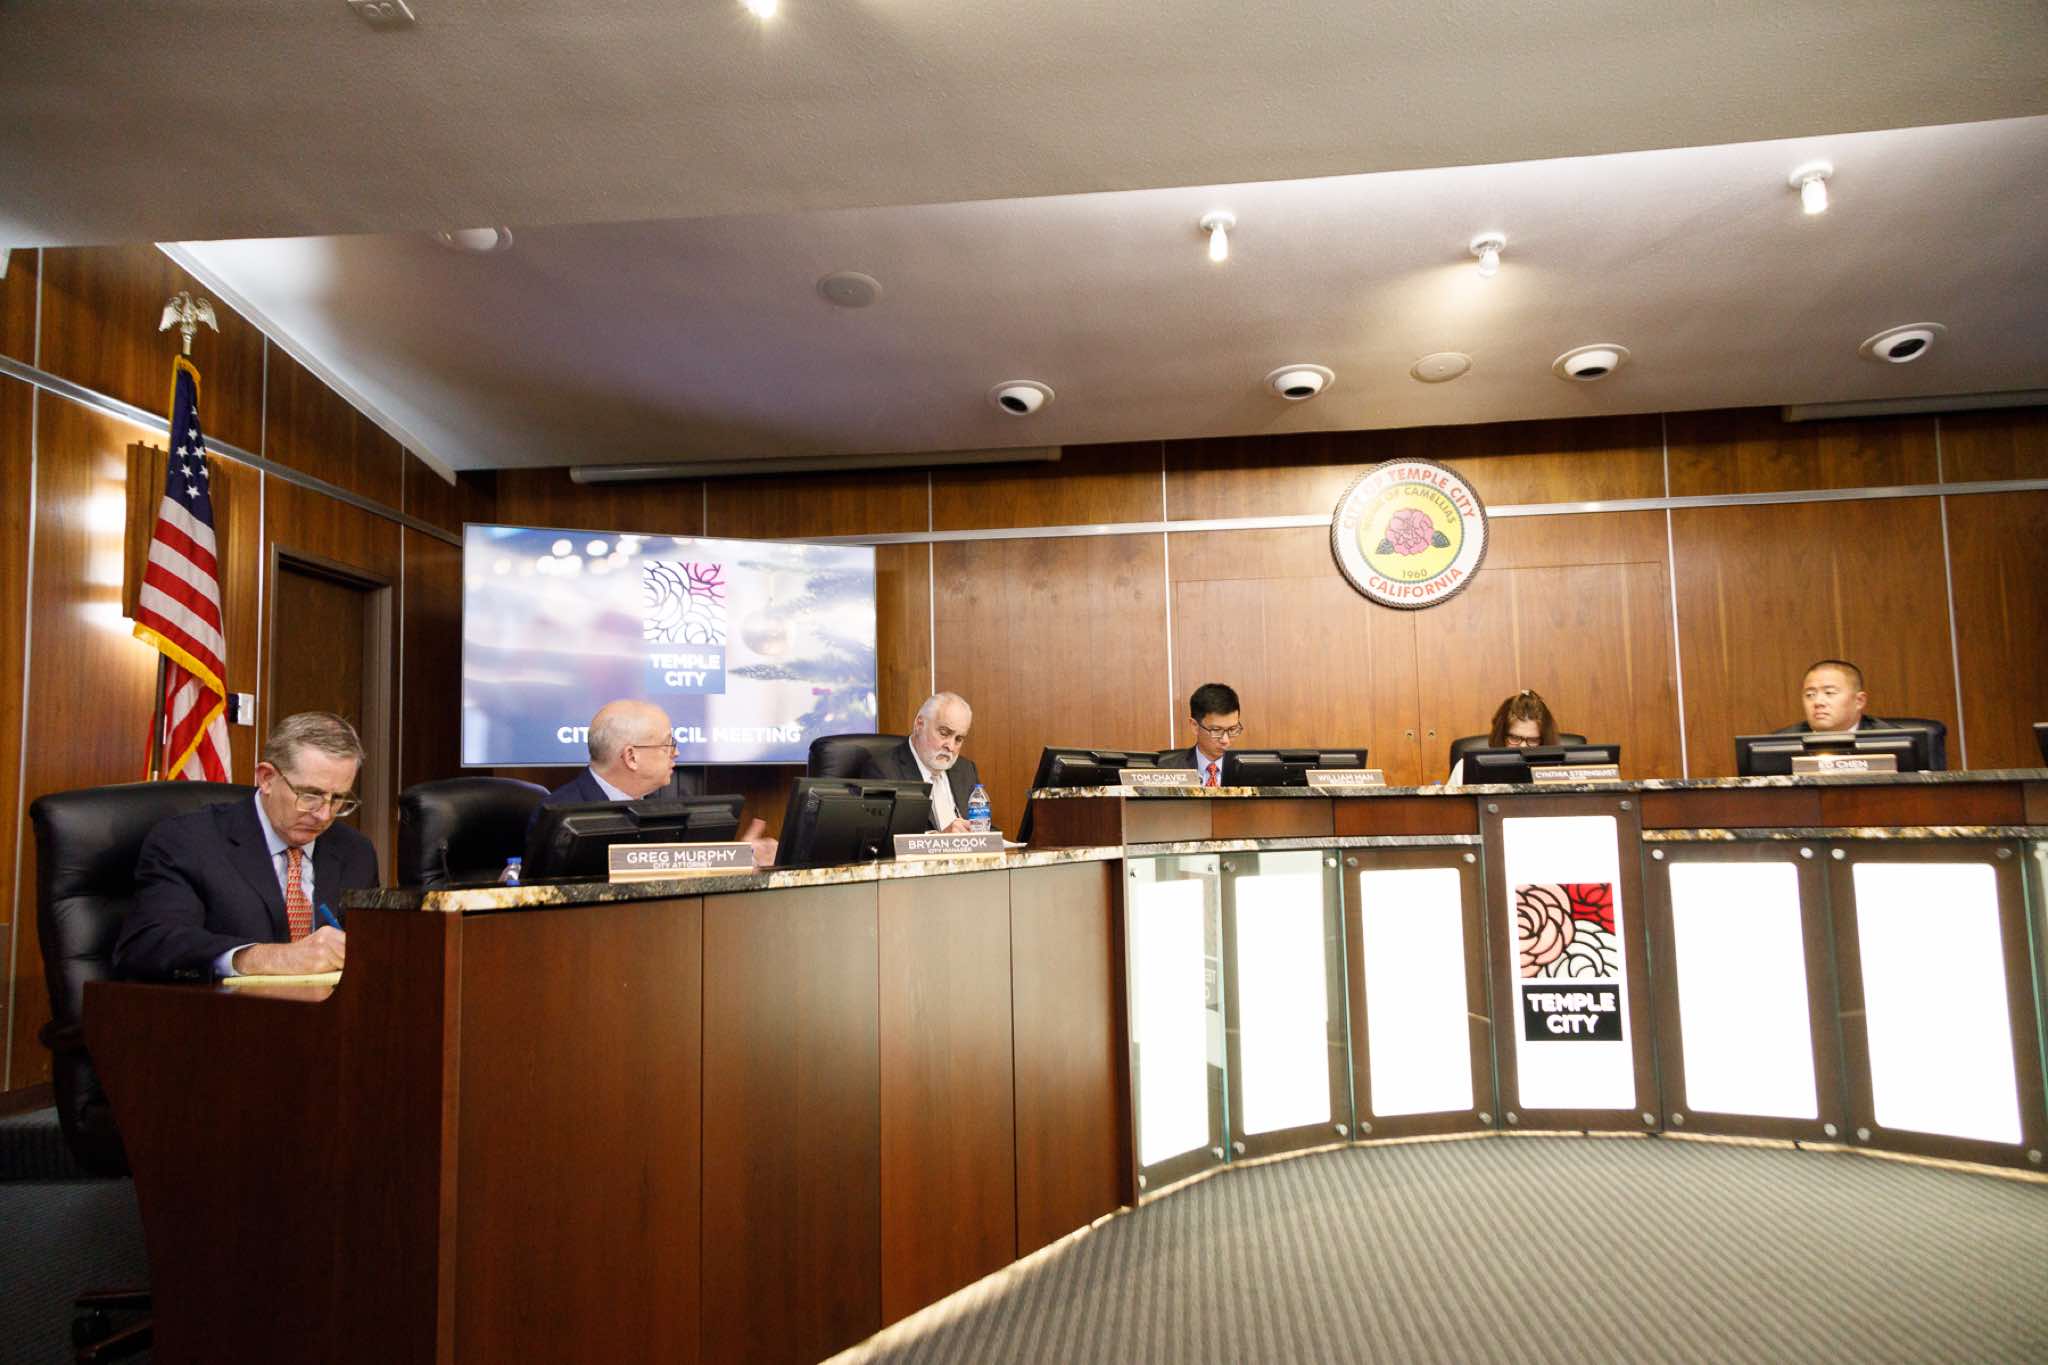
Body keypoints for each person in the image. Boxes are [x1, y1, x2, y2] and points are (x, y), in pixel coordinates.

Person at [116, 711, 379, 980]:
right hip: (225, 1004)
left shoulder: (355, 852)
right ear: (266, 778)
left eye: (338, 799)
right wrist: (269, 957)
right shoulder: (190, 841)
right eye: (311, 795)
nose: (324, 815)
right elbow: (149, 945)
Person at [534, 698, 774, 864]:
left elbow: (682, 872)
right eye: (668, 744)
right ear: (631, 757)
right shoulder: (559, 816)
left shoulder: (672, 806)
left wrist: (744, 858)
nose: (676, 753)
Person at [858, 692, 982, 832]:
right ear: (919, 724)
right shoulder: (883, 771)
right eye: (944, 733)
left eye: (958, 739)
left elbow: (982, 826)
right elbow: (880, 838)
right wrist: (941, 840)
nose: (951, 747)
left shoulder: (966, 769)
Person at [1446, 689, 1559, 785]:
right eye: (1515, 738)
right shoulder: (1465, 768)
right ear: (1501, 736)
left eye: (1533, 740)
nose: (1523, 747)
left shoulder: (1558, 771)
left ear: (1543, 741)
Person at [1776, 659, 1890, 735]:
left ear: (1859, 701)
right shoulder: (1780, 744)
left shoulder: (1891, 741)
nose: (1818, 702)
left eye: (1829, 693)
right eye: (1810, 695)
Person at [1159, 682, 1242, 787]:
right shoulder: (1166, 771)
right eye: (1216, 730)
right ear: (1195, 726)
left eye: (1232, 729)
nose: (1225, 740)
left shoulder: (1247, 772)